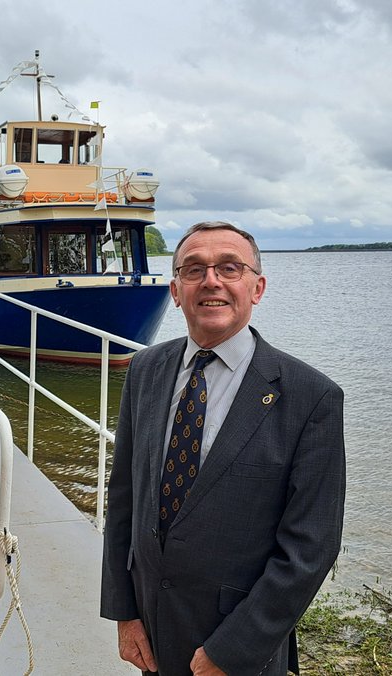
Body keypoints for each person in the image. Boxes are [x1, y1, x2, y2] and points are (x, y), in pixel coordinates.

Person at [101, 221, 346, 675]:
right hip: (153, 632)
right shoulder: (145, 369)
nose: (211, 280)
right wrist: (125, 612)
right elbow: (124, 501)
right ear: (176, 291)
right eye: (194, 270)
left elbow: (312, 547)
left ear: (257, 288)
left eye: (229, 268)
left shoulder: (311, 397)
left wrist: (232, 650)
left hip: (239, 647)